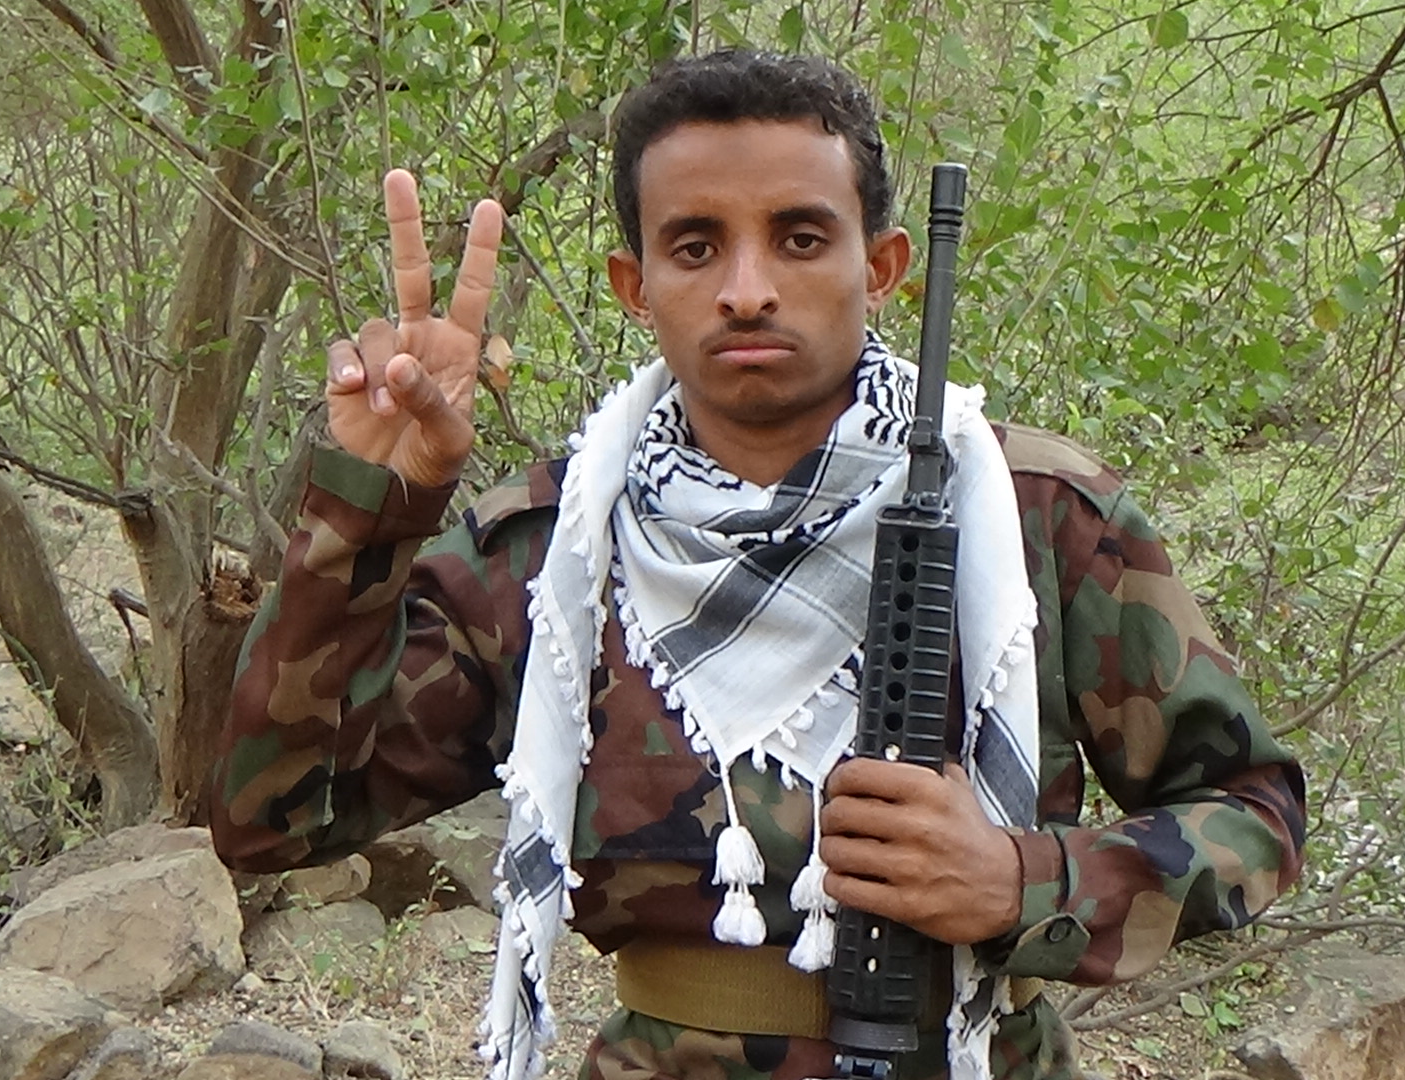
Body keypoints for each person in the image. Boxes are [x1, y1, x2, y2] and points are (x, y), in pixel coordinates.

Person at [209, 49, 1305, 1080]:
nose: (746, 289)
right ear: (634, 286)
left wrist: (1022, 882)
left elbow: (1255, 814)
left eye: (799, 238)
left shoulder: (1031, 517)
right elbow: (271, 820)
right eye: (695, 248)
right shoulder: (556, 549)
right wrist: (369, 512)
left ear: (882, 267)